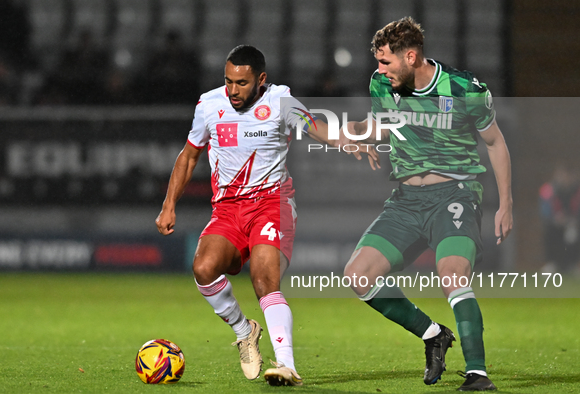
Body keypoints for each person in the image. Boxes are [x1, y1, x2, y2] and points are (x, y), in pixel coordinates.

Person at [155, 45, 374, 386]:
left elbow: (314, 124)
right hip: (227, 208)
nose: (232, 90)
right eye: (228, 81)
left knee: (263, 281)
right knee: (204, 269)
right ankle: (245, 332)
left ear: (261, 80)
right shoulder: (208, 105)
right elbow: (189, 156)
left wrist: (345, 140)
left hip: (272, 204)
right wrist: (169, 204)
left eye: (241, 83)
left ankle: (286, 365)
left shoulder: (280, 101)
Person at [343, 17, 513, 391]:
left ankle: (477, 373)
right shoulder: (381, 85)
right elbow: (383, 124)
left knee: (452, 274)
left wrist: (506, 204)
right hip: (406, 200)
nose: (379, 70)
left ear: (412, 56)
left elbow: (496, 143)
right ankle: (433, 334)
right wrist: (353, 133)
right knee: (358, 276)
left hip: (455, 194)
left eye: (386, 62)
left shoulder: (464, 88)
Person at [539, 164, 580, 273]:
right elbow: (544, 211)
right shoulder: (548, 190)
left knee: (574, 234)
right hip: (554, 225)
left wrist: (573, 221)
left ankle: (574, 264)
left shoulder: (577, 192)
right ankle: (551, 263)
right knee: (549, 231)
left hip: (574, 224)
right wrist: (556, 219)